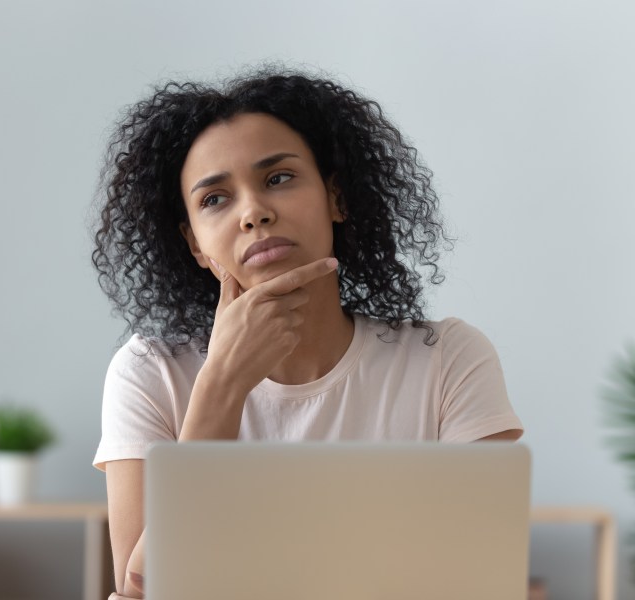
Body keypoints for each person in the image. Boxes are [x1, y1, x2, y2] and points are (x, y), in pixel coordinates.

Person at [91, 67, 523, 599]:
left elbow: (482, 579)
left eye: (278, 178)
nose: (254, 212)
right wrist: (222, 384)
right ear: (195, 246)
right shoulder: (151, 372)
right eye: (214, 200)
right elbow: (141, 587)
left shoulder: (447, 360)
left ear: (336, 198)